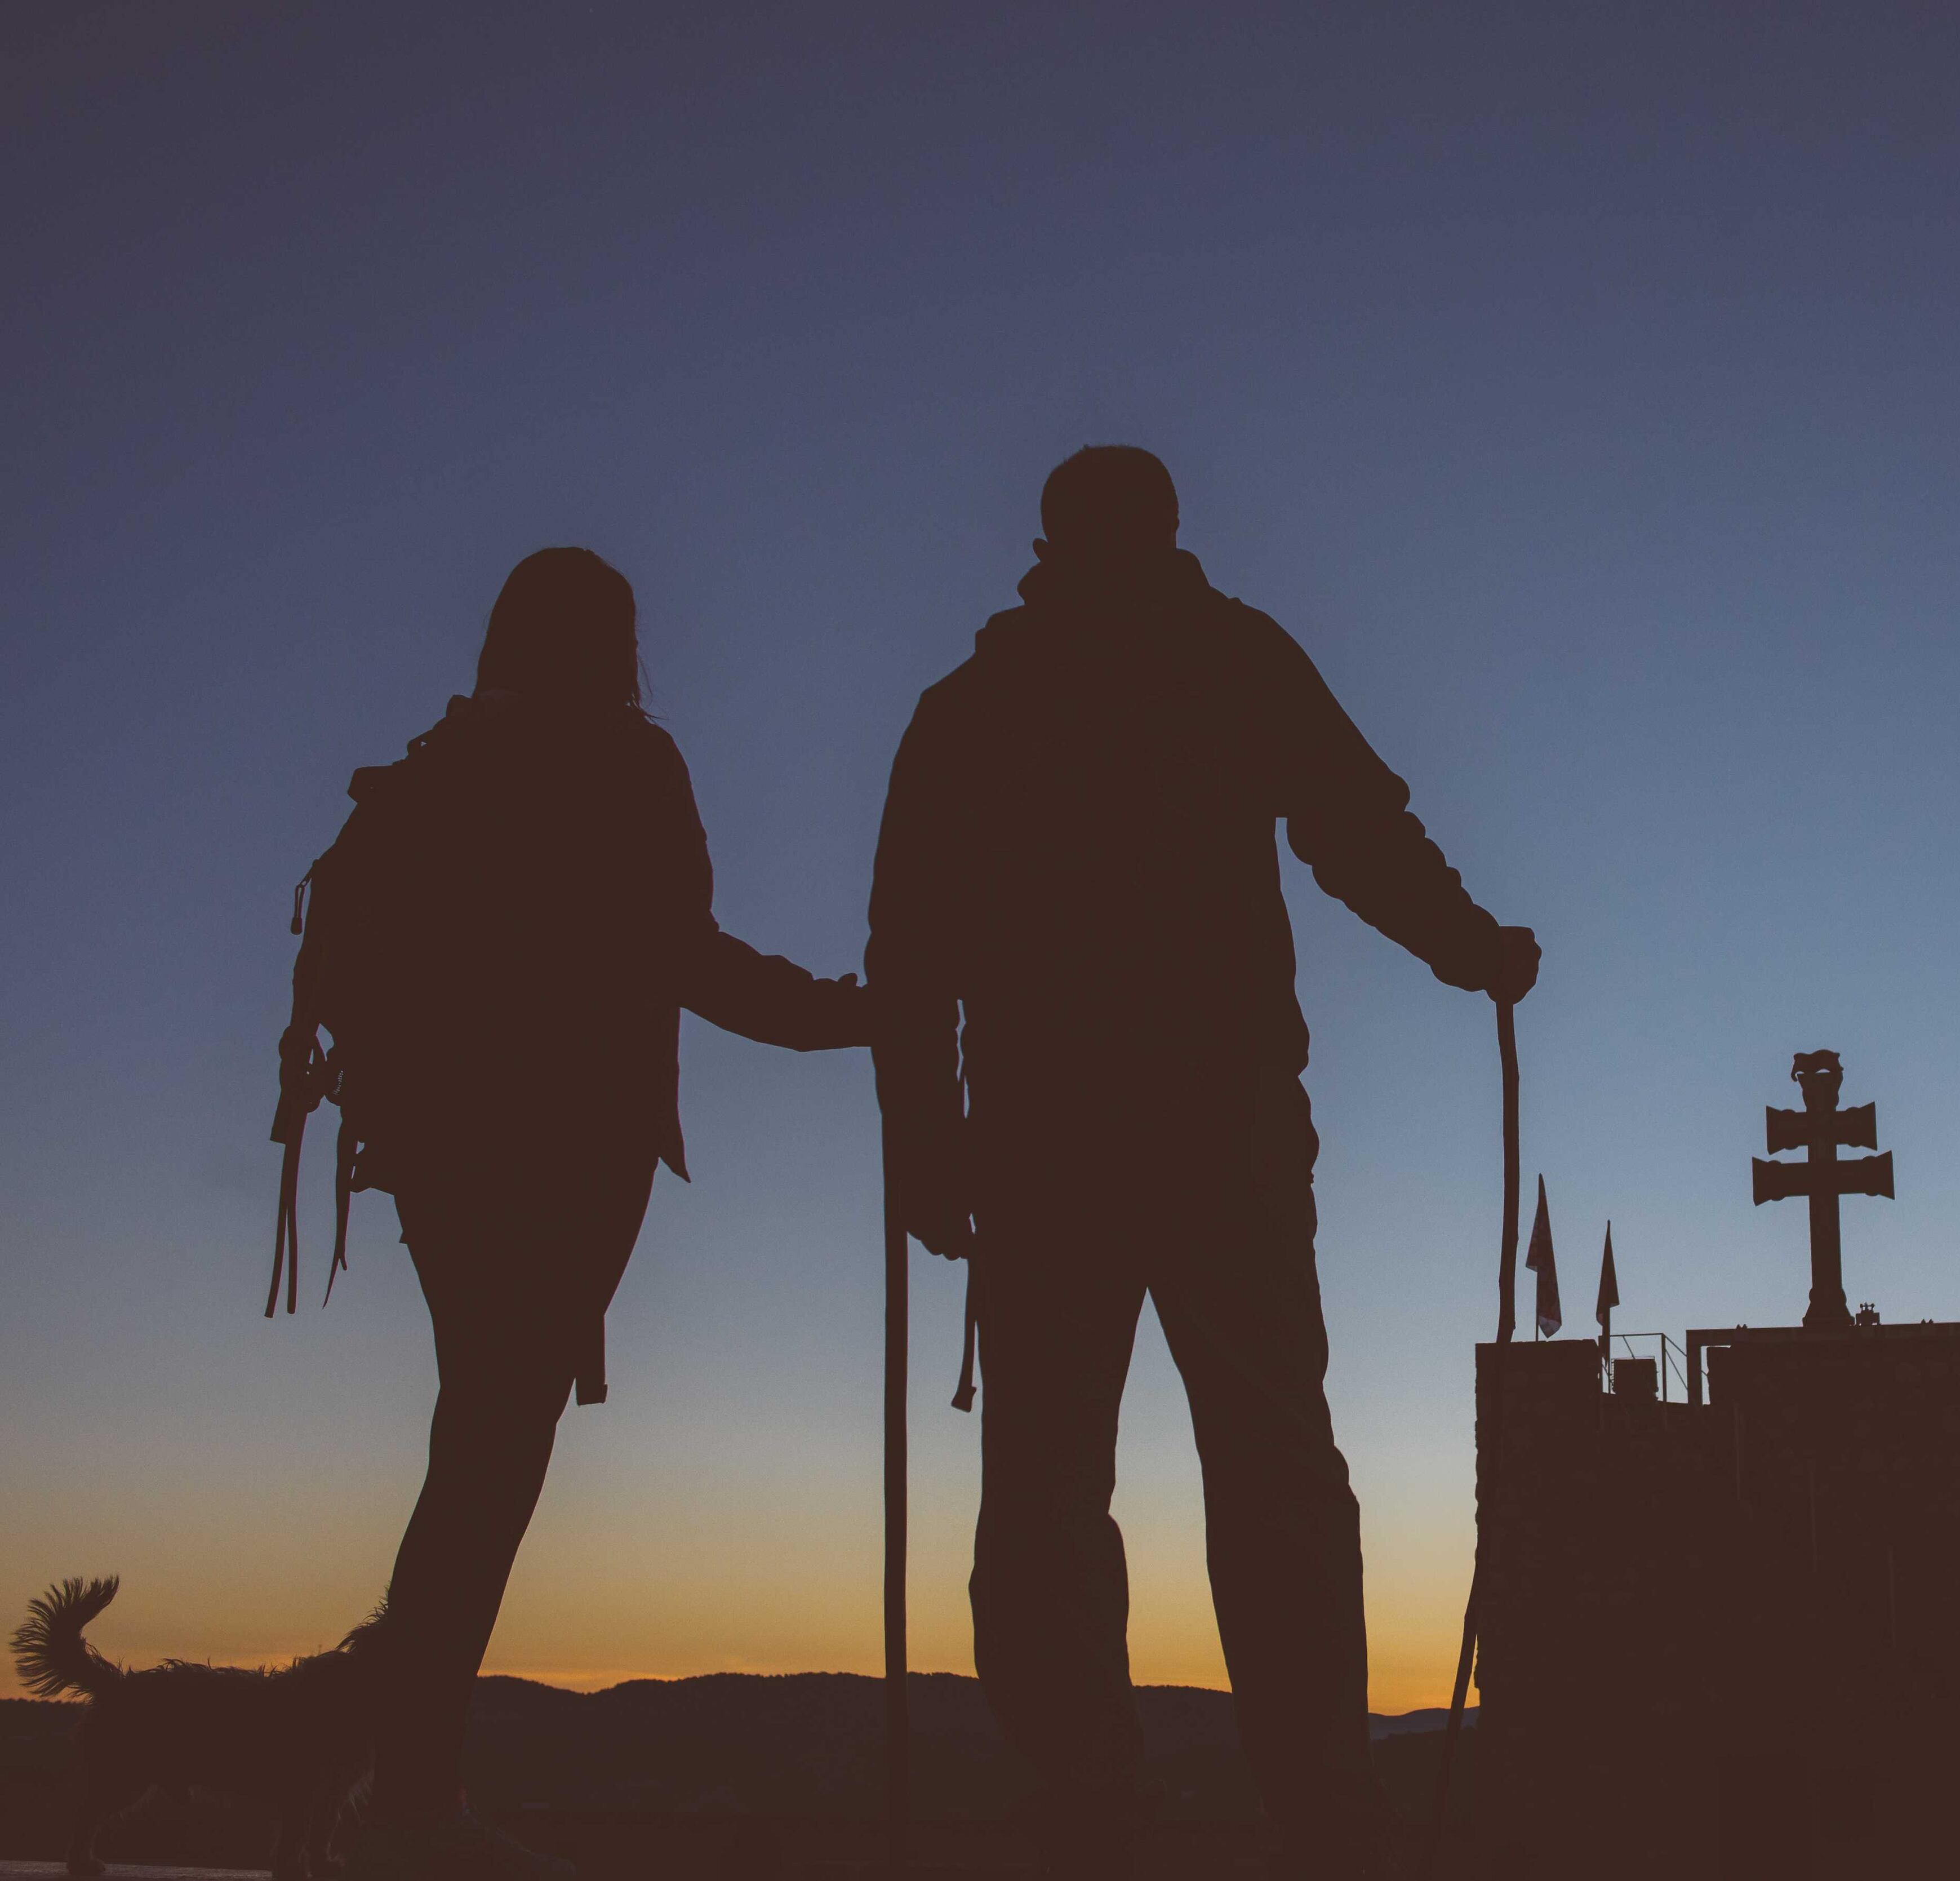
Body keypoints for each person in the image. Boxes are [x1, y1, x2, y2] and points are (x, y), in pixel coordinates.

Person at [868, 448, 1539, 1881]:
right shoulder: (1224, 661)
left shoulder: (979, 705)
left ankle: (1098, 1804)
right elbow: (1357, 830)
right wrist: (1469, 947)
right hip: (1205, 1139)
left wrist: (927, 1141)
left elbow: (911, 952)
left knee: (1063, 1485)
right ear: (1166, 530)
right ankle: (1318, 1818)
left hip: (1063, 1150)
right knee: (1267, 1472)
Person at [306, 548, 871, 1881]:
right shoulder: (624, 762)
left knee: (479, 1451)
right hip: (561, 1160)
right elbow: (684, 952)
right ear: (616, 645)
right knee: (490, 1462)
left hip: (437, 1159)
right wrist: (853, 1016)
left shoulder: (440, 764)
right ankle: (402, 1808)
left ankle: (399, 1791)